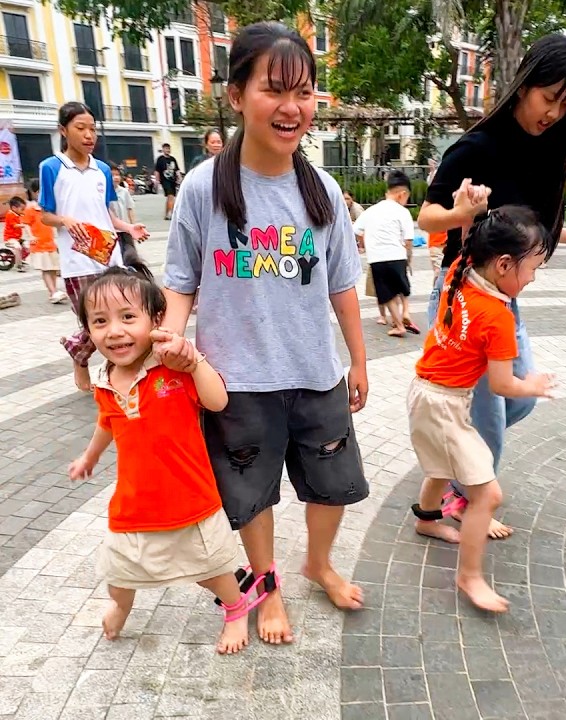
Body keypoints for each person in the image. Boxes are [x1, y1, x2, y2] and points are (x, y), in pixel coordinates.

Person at [159, 21, 369, 646]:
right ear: (236, 96)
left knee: (332, 483)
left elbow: (341, 284)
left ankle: (319, 562)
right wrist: (172, 340)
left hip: (313, 370)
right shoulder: (203, 187)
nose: (292, 107)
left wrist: (357, 361)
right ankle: (269, 585)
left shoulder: (323, 190)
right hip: (234, 380)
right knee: (252, 493)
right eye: (274, 90)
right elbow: (180, 280)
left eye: (303, 92)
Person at [418, 32, 566, 539]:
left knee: (516, 399)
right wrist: (463, 211)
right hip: (464, 294)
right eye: (549, 98)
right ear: (525, 85)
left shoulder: (550, 153)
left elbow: (525, 225)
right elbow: (427, 216)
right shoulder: (478, 146)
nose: (554, 113)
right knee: (492, 416)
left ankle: (452, 456)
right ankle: (469, 497)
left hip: (502, 299)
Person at [67, 264, 251, 654]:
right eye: (100, 321)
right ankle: (120, 607)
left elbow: (218, 401)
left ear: (157, 320)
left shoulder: (174, 368)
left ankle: (236, 609)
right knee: (119, 573)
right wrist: (89, 457)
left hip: (190, 502)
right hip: (133, 506)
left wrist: (195, 359)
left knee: (213, 570)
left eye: (128, 317)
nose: (114, 331)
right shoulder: (104, 381)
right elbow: (108, 423)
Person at [407, 206, 556, 611]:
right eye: (533, 269)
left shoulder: (461, 270)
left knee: (439, 467)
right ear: (504, 264)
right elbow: (502, 384)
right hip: (444, 406)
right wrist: (535, 386)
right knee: (487, 495)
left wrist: (466, 214)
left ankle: (426, 519)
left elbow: (469, 238)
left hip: (423, 393)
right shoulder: (498, 316)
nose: (533, 278)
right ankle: (469, 577)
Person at [40, 102, 150, 391]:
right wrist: (64, 219)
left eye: (92, 129)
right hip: (77, 262)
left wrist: (128, 228)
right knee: (93, 322)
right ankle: (80, 356)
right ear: (63, 130)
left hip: (108, 257)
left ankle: (119, 375)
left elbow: (106, 214)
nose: (89, 135)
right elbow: (45, 215)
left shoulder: (102, 169)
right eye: (80, 128)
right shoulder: (52, 167)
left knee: (117, 316)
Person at [354, 170, 418, 337]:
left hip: (377, 258)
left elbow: (356, 230)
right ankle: (406, 311)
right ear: (402, 194)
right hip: (397, 255)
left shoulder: (371, 211)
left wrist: (366, 244)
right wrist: (408, 259)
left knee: (387, 294)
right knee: (403, 288)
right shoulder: (403, 212)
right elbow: (409, 241)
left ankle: (399, 325)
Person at [23, 179, 65, 303]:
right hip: (39, 244)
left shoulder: (49, 209)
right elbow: (25, 224)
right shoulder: (30, 209)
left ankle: (54, 291)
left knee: (52, 268)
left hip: (51, 243)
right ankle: (53, 292)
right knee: (46, 268)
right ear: (35, 193)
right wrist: (31, 236)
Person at [109, 163, 143, 267]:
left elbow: (130, 209)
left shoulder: (124, 192)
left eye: (117, 174)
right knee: (115, 256)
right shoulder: (105, 193)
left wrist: (133, 226)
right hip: (112, 231)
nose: (116, 178)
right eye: (112, 175)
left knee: (130, 254)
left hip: (126, 230)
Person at [153, 143, 182, 220]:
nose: (167, 150)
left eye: (168, 149)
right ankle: (171, 213)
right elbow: (157, 171)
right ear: (163, 149)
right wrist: (157, 181)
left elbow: (177, 170)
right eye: (166, 148)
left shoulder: (173, 159)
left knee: (171, 197)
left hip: (173, 180)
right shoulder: (160, 159)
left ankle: (167, 214)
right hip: (165, 180)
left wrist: (179, 177)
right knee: (170, 196)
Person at [3, 195, 28, 271]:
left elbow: (25, 217)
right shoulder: (10, 214)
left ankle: (20, 259)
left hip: (17, 238)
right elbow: (15, 225)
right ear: (14, 208)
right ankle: (19, 266)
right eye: (22, 209)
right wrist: (24, 225)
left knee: (27, 248)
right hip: (10, 238)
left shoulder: (18, 214)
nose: (23, 211)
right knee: (18, 248)